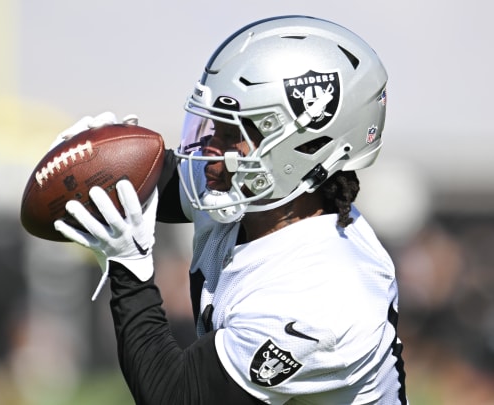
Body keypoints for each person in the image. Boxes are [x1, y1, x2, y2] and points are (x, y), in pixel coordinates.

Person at [52, 15, 407, 405]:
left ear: (304, 150)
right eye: (213, 128)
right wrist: (100, 160)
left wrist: (129, 267)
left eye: (232, 136)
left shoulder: (328, 297)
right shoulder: (259, 197)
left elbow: (173, 395)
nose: (208, 153)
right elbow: (164, 182)